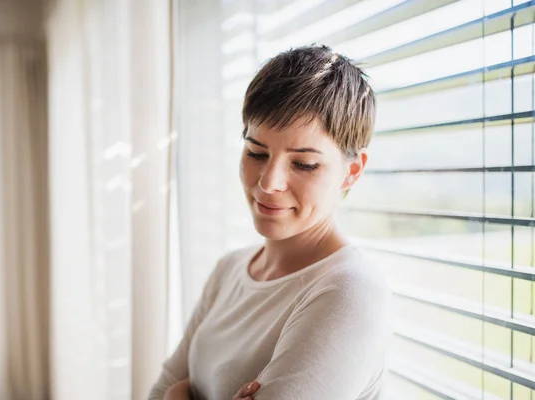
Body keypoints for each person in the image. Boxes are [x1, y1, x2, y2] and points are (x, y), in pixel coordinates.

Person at [148, 45, 392, 400]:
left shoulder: (348, 291)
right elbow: (160, 391)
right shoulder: (229, 270)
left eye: (304, 164)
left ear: (351, 172)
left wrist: (180, 396)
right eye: (256, 153)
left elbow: (171, 391)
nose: (268, 182)